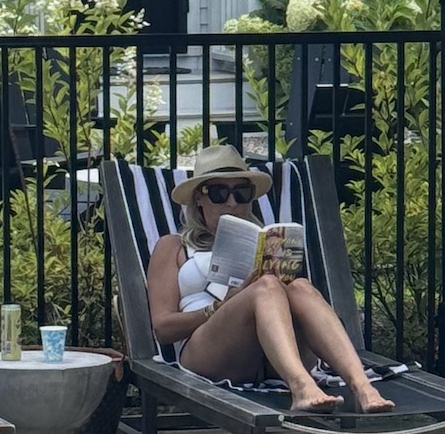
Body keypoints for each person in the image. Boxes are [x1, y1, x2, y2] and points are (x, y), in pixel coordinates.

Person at [145, 144, 394, 416]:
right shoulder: (173, 247)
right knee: (265, 286)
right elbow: (163, 328)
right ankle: (301, 387)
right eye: (219, 192)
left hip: (272, 357)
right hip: (209, 352)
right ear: (198, 198)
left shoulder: (266, 242)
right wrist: (218, 307)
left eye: (242, 192)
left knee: (299, 286)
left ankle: (362, 388)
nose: (232, 203)